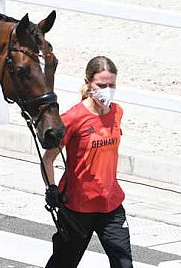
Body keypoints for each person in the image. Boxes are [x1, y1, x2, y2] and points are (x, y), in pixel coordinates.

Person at [42, 55, 133, 268]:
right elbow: (47, 159)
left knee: (124, 264)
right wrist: (51, 188)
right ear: (88, 83)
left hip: (111, 204)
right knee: (63, 263)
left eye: (112, 85)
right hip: (77, 208)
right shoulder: (73, 118)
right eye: (102, 85)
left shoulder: (117, 112)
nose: (107, 89)